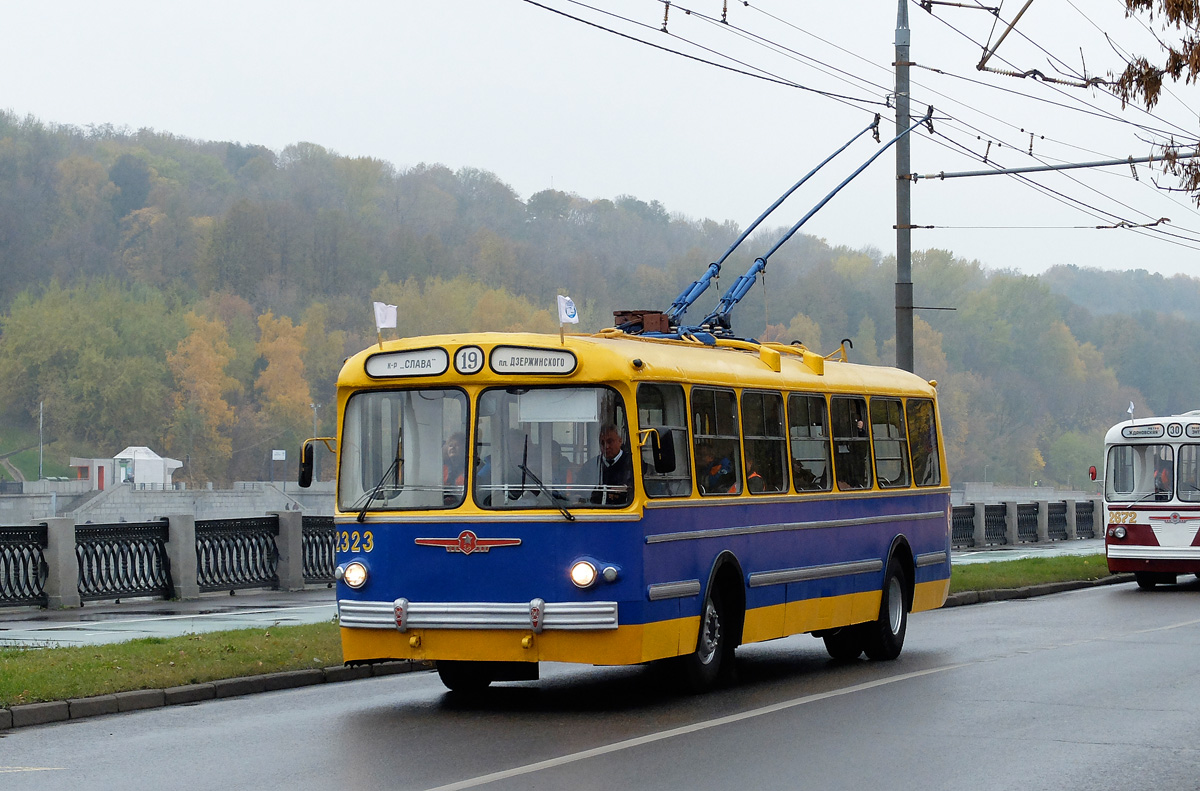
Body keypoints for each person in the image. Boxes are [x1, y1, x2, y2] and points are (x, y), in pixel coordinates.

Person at [588, 423, 633, 505]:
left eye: (610, 441)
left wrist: (627, 488)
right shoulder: (591, 465)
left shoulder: (633, 464)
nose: (606, 446)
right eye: (602, 443)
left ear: (620, 441)